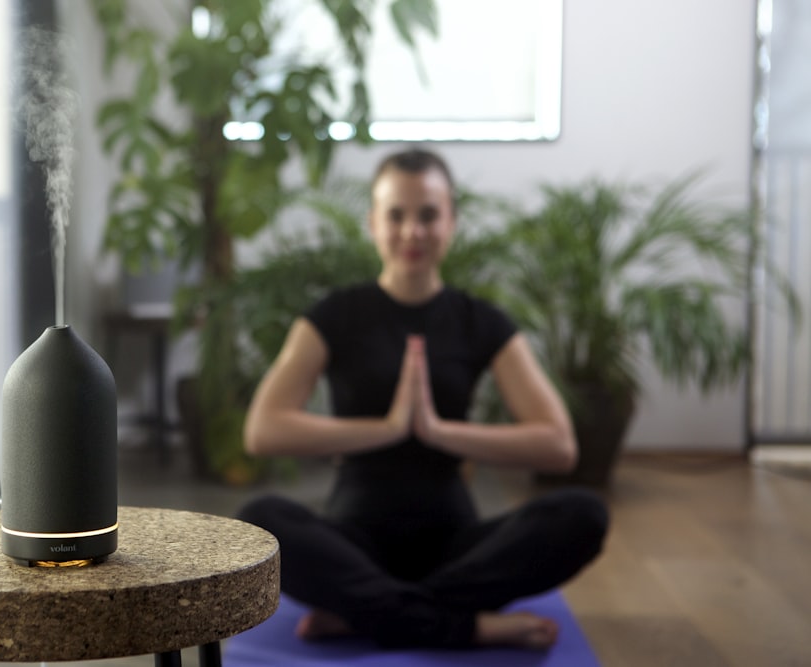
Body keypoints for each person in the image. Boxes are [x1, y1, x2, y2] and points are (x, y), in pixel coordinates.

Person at [237, 149, 608, 651]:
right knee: (260, 518)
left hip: (457, 552)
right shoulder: (336, 315)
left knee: (584, 514)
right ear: (373, 223)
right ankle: (459, 624)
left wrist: (437, 431)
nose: (413, 231)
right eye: (396, 215)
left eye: (429, 215)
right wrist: (387, 428)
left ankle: (368, 613)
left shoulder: (480, 321)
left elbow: (558, 444)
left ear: (451, 221)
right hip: (355, 546)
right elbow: (264, 429)